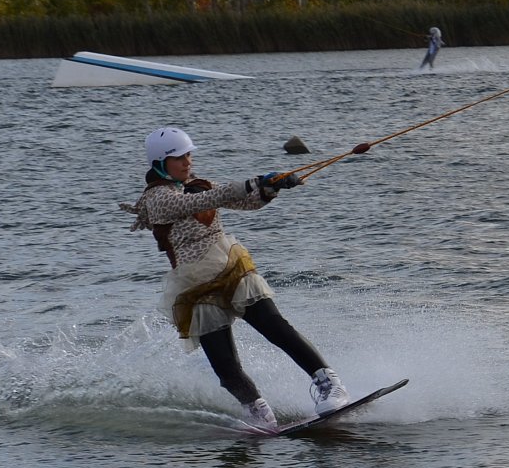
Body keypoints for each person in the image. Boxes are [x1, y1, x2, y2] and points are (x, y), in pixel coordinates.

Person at [120, 126, 350, 433]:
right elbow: (196, 203)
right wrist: (251, 182)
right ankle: (258, 412)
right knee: (226, 369)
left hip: (230, 267)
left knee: (274, 326)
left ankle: (329, 385)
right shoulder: (156, 199)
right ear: (161, 162)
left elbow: (246, 202)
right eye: (179, 158)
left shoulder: (198, 185)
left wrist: (271, 188)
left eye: (189, 155)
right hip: (196, 287)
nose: (188, 162)